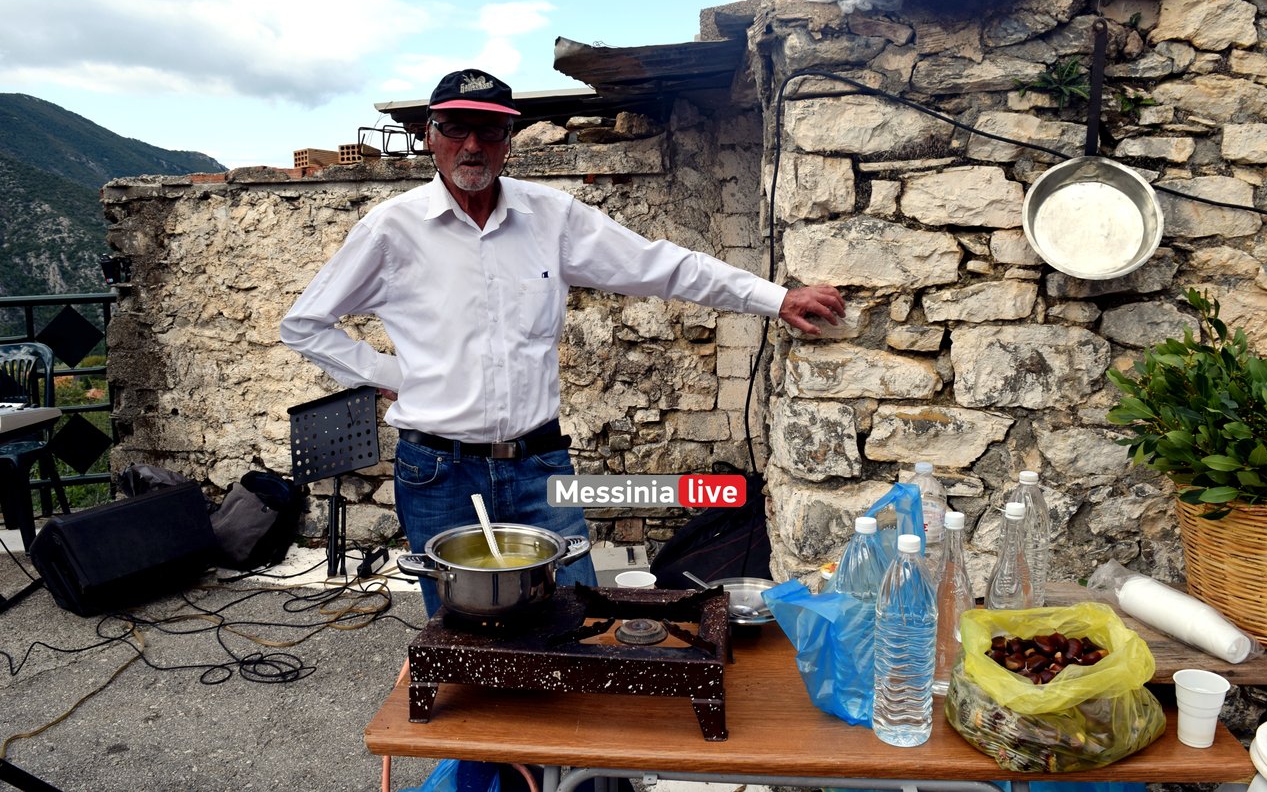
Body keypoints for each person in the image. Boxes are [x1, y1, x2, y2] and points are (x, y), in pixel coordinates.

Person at [280, 68, 845, 615]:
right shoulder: (390, 230)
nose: (472, 144)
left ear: (509, 139)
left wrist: (775, 298)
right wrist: (392, 376)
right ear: (430, 136)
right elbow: (304, 324)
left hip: (539, 465)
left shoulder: (551, 219)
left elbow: (661, 266)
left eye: (490, 129)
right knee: (460, 629)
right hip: (438, 473)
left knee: (573, 614)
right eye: (455, 127)